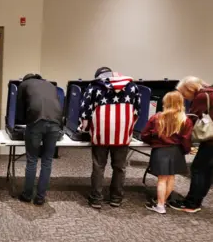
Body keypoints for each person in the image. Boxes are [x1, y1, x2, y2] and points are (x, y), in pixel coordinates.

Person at [172, 76, 213, 213]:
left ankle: (191, 203)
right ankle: (197, 199)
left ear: (191, 89)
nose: (185, 98)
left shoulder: (202, 96)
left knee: (198, 169)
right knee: (207, 169)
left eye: (184, 94)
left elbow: (191, 119)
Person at [80, 67, 141, 209]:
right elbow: (137, 112)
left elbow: (85, 113)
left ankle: (96, 199)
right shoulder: (132, 87)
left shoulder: (94, 87)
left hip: (101, 134)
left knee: (99, 166)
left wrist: (86, 130)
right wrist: (128, 130)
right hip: (122, 135)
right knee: (120, 167)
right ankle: (116, 198)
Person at [141, 91, 193, 214]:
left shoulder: (157, 117)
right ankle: (163, 202)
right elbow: (186, 140)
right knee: (171, 178)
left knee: (162, 180)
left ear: (165, 102)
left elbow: (145, 135)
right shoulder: (186, 120)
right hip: (176, 151)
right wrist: (186, 151)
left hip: (160, 151)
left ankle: (160, 206)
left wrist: (153, 141)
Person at [15, 73, 62, 205]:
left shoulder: (24, 85)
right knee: (47, 161)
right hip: (55, 123)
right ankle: (40, 197)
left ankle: (27, 195)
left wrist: (23, 122)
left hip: (36, 122)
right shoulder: (51, 85)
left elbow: (19, 110)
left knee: (32, 160)